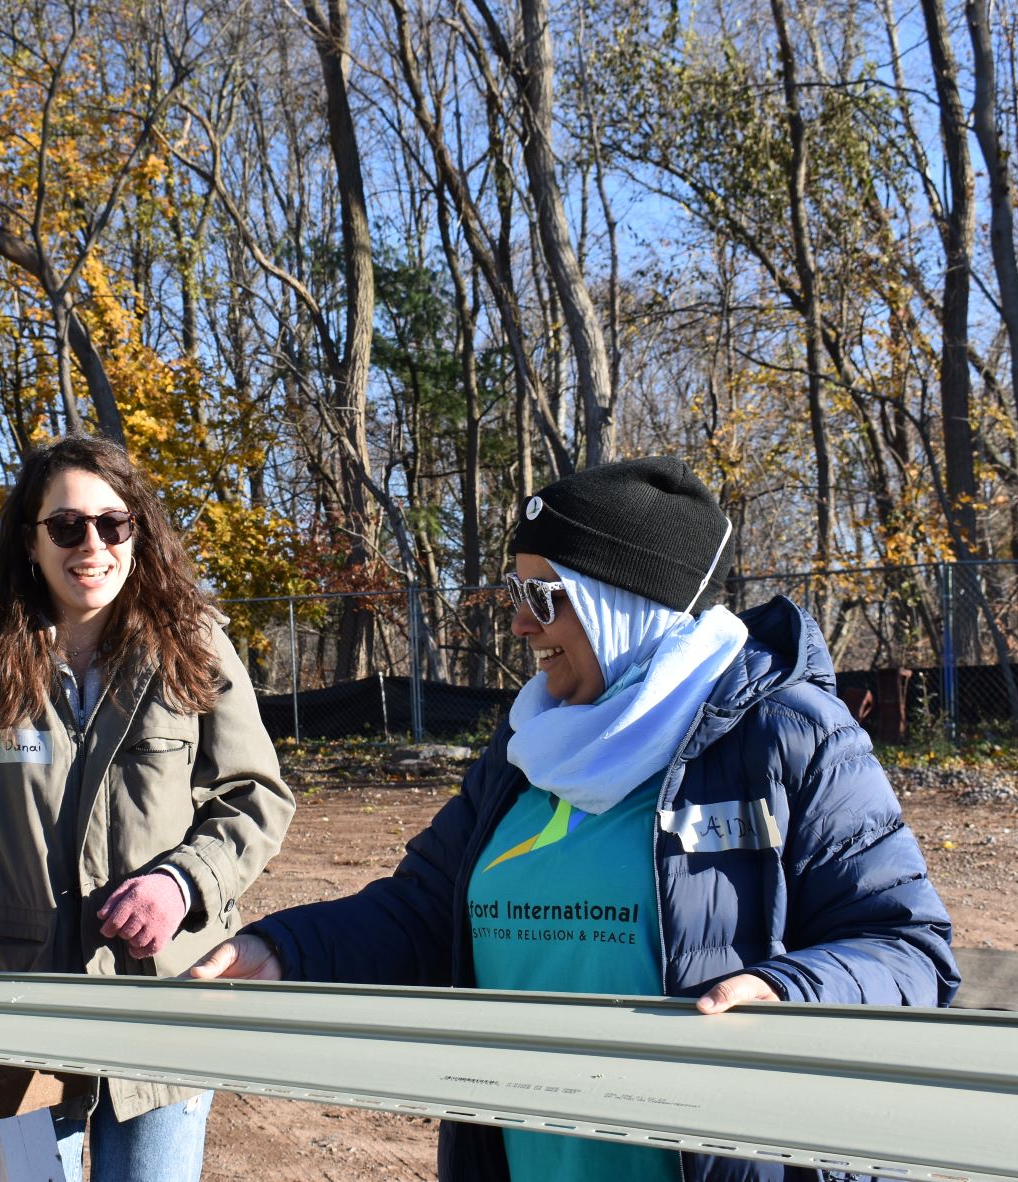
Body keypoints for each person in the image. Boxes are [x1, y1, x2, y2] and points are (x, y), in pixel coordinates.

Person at [191, 456, 958, 1182]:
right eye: (513, 596)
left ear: (625, 604)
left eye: (543, 598)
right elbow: (426, 910)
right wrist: (285, 947)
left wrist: (790, 990)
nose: (519, 627)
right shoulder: (533, 742)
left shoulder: (788, 733)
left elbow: (907, 949)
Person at [0, 435, 294, 1182]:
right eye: (66, 527)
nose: (91, 545)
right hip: (18, 1001)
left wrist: (183, 883)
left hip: (165, 1000)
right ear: (32, 541)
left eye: (113, 523)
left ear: (138, 531)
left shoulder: (192, 647)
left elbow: (254, 798)